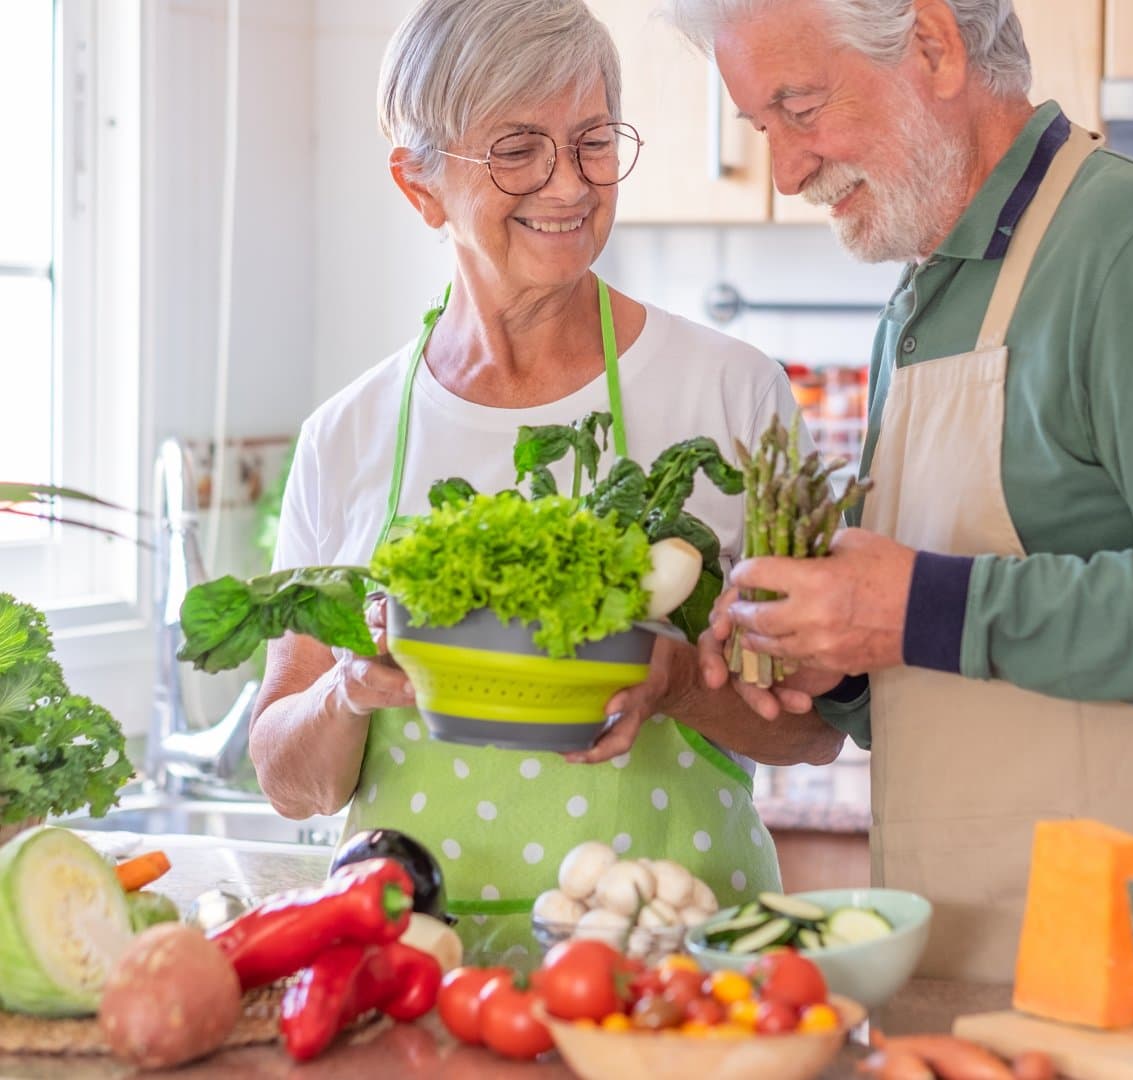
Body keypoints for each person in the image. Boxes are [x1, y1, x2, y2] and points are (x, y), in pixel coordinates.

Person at [672, 0, 1133, 1000]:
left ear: (932, 44)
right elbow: (959, 656)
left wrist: (912, 608)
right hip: (982, 953)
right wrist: (835, 663)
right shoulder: (921, 299)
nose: (785, 170)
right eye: (759, 129)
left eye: (800, 106)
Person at [249, 0, 841, 962]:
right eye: (518, 150)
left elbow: (816, 731)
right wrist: (352, 689)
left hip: (677, 964)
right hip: (409, 970)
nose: (568, 185)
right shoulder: (346, 436)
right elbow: (288, 782)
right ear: (421, 185)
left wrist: (681, 682)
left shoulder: (730, 392)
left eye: (594, 141)